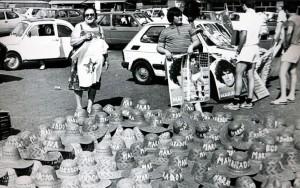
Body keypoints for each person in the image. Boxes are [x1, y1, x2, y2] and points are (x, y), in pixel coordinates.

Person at [157, 7, 201, 112]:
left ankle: (199, 111)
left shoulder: (189, 27)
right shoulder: (165, 31)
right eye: (177, 16)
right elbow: (159, 47)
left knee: (192, 83)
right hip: (173, 61)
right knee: (176, 86)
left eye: (181, 15)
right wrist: (166, 52)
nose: (180, 17)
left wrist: (191, 47)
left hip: (187, 59)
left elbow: (197, 41)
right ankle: (180, 112)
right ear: (172, 18)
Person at [69, 7, 109, 114]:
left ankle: (90, 105)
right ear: (84, 16)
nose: (90, 16)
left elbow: (103, 45)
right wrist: (84, 38)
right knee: (78, 84)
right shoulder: (79, 26)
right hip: (81, 60)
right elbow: (72, 42)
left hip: (95, 61)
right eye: (87, 15)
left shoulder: (100, 28)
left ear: (95, 15)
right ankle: (79, 107)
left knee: (94, 82)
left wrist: (106, 59)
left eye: (92, 14)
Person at [223, 0, 262, 110]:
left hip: (247, 47)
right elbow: (260, 34)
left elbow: (243, 34)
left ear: (244, 5)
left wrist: (239, 49)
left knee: (238, 74)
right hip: (255, 47)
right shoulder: (259, 17)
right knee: (251, 74)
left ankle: (236, 103)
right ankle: (249, 101)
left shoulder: (244, 16)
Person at [270, 8, 300, 105]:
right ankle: (291, 94)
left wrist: (286, 46)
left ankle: (283, 97)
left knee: (282, 72)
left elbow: (289, 33)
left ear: (286, 10)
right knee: (293, 71)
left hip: (292, 46)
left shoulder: (291, 20)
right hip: (298, 47)